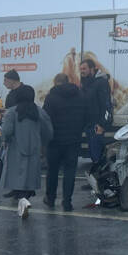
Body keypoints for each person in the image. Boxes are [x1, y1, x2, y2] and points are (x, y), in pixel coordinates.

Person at [0, 86, 53, 218]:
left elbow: (6, 131)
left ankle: (22, 201)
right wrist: (43, 142)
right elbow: (48, 132)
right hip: (34, 149)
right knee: (29, 178)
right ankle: (24, 200)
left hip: (16, 148)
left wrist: (5, 139)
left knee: (17, 177)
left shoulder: (12, 112)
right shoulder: (39, 112)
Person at [42, 73, 86, 211]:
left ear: (56, 83)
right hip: (73, 139)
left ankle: (50, 198)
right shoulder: (79, 96)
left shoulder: (51, 98)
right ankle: (67, 201)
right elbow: (85, 116)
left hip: (54, 140)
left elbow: (45, 119)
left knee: (53, 170)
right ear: (68, 81)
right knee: (70, 171)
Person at [79, 58, 112, 164]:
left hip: (97, 126)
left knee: (97, 157)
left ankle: (100, 179)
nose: (82, 71)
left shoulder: (101, 83)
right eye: (80, 69)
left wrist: (102, 125)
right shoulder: (86, 82)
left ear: (92, 69)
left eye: (84, 68)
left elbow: (106, 105)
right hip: (89, 125)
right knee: (94, 156)